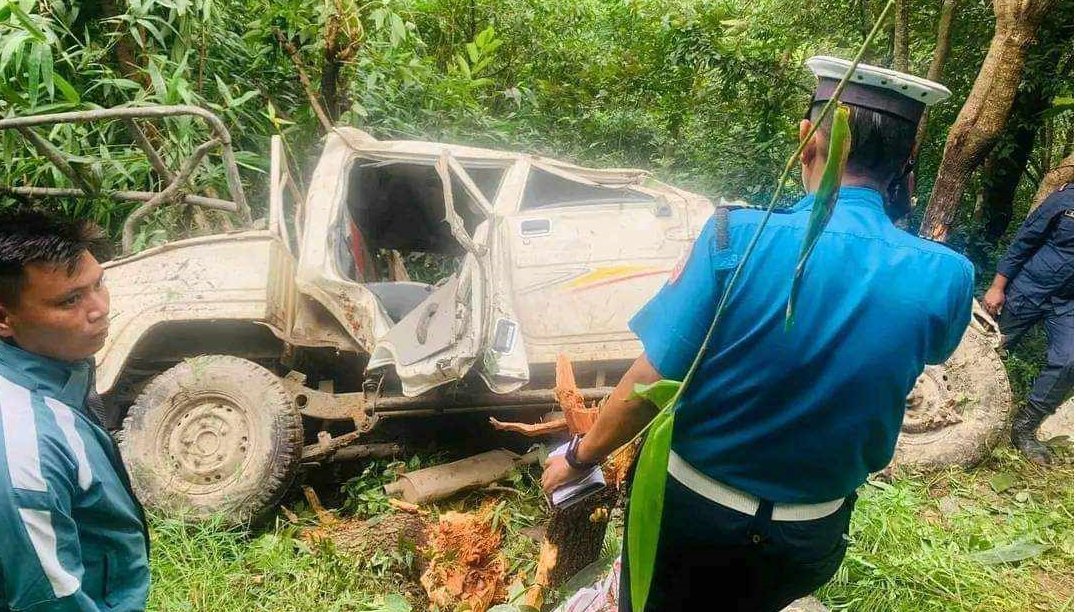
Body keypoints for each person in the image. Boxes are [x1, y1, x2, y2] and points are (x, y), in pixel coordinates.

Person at [541, 56, 974, 611]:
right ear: (907, 162)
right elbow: (927, 350)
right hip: (808, 537)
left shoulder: (736, 237)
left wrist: (579, 457)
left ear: (807, 140)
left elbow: (653, 377)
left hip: (690, 520)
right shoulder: (947, 275)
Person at [0, 211, 150, 611]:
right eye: (70, 300)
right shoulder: (25, 442)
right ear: (3, 318)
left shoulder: (58, 372)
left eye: (98, 283)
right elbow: (47, 599)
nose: (99, 308)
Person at [983, 182, 1073, 465]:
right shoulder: (1065, 199)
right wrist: (998, 286)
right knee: (987, 348)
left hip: (1068, 304)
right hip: (1028, 289)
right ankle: (957, 407)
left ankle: (1023, 428)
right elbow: (1025, 239)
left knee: (1070, 360)